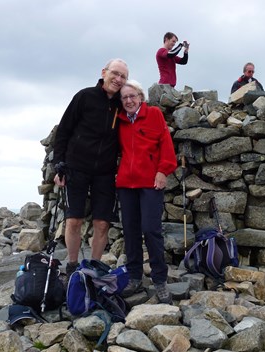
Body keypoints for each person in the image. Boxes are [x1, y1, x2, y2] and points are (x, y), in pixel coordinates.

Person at [52, 58, 129, 275]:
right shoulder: (84, 96)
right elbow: (64, 130)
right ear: (104, 72)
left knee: (102, 224)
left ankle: (95, 268)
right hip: (76, 167)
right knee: (74, 220)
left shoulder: (122, 103)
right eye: (115, 73)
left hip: (105, 172)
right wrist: (59, 164)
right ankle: (72, 266)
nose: (118, 79)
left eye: (123, 76)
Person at [116, 80, 177, 304]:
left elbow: (166, 145)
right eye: (125, 98)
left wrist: (163, 171)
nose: (129, 101)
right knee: (130, 232)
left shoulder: (154, 115)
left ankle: (160, 280)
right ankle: (134, 277)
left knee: (151, 230)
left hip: (151, 181)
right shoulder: (119, 120)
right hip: (126, 184)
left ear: (141, 97)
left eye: (133, 96)